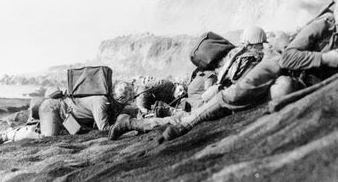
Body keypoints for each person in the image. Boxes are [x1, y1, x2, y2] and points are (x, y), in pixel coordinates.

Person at [109, 0, 338, 144]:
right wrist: (325, 60)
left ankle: (137, 123)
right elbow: (285, 61)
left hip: (247, 87)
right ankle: (140, 124)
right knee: (201, 111)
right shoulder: (321, 27)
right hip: (223, 95)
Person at [108, 25, 269, 140]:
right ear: (255, 43)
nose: (262, 48)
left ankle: (131, 122)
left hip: (214, 99)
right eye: (261, 45)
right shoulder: (247, 59)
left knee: (179, 119)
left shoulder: (237, 56)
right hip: (215, 101)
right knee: (179, 121)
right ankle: (129, 124)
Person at [39, 80, 134, 136]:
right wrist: (130, 126)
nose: (123, 106)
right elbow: (104, 129)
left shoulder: (110, 101)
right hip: (53, 108)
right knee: (49, 138)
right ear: (118, 98)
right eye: (123, 104)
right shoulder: (102, 101)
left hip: (67, 116)